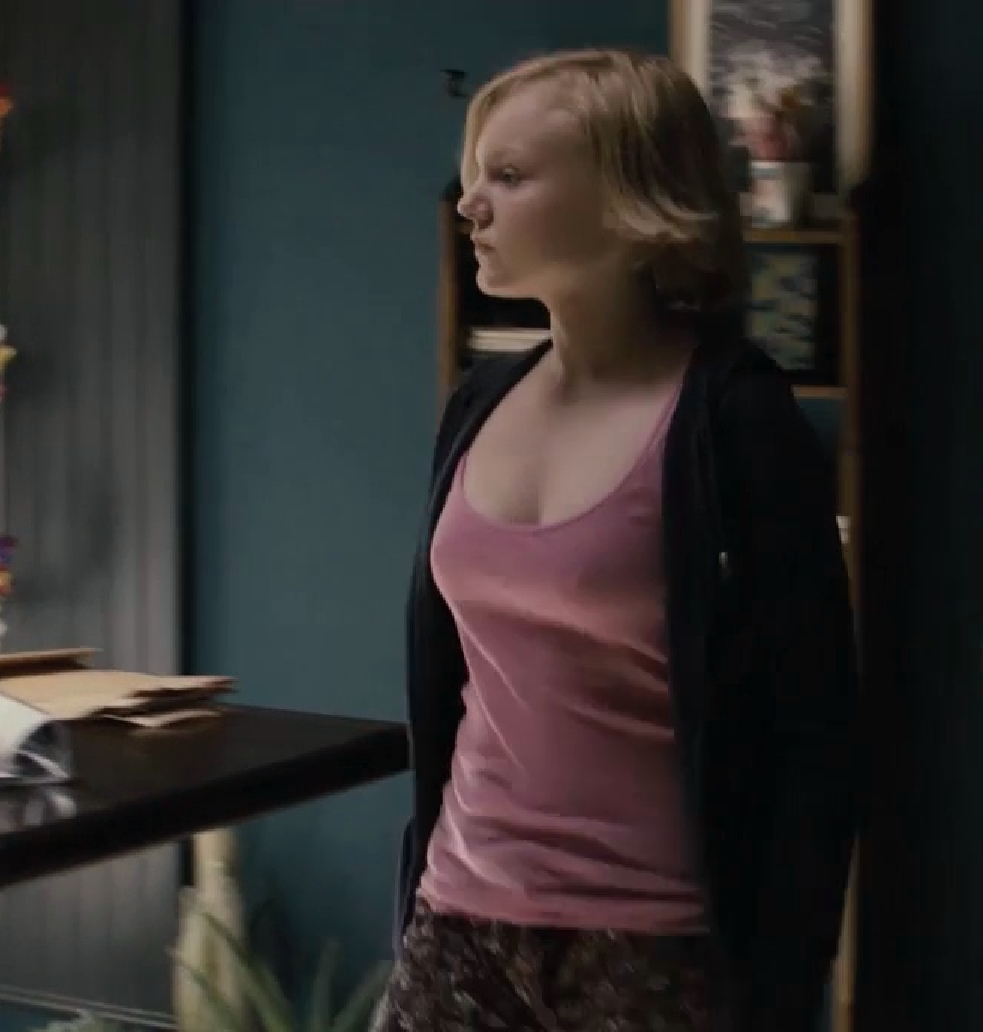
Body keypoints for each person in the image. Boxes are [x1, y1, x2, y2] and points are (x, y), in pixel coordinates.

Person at [381, 49, 859, 1032]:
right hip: (459, 919)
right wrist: (418, 904)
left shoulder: (735, 419)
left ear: (630, 200)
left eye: (510, 176)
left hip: (658, 947)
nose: (471, 204)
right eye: (474, 176)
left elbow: (816, 730)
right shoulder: (479, 402)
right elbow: (453, 688)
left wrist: (776, 988)